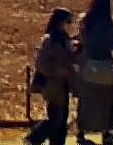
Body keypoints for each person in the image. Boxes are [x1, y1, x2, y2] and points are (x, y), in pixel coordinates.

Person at [75, 0, 113, 145]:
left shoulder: (85, 21)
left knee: (86, 100)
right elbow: (111, 44)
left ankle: (81, 131)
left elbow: (81, 40)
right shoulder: (107, 23)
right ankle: (107, 133)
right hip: (104, 65)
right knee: (107, 101)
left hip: (87, 65)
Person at [28, 8, 76, 145]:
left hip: (64, 85)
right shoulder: (51, 39)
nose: (69, 24)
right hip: (53, 85)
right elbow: (42, 63)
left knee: (62, 120)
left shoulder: (64, 38)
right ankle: (33, 139)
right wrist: (60, 71)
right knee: (55, 118)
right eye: (67, 21)